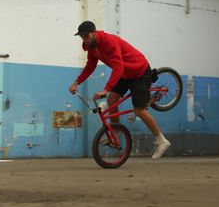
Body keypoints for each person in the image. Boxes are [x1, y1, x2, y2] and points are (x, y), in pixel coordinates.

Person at [68, 21, 171, 159]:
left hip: (139, 71)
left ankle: (161, 140)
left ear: (94, 32)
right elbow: (90, 67)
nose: (84, 39)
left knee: (139, 110)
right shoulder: (91, 47)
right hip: (125, 73)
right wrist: (76, 83)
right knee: (112, 99)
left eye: (86, 35)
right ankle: (115, 131)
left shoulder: (109, 42)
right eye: (82, 37)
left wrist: (106, 89)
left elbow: (117, 66)